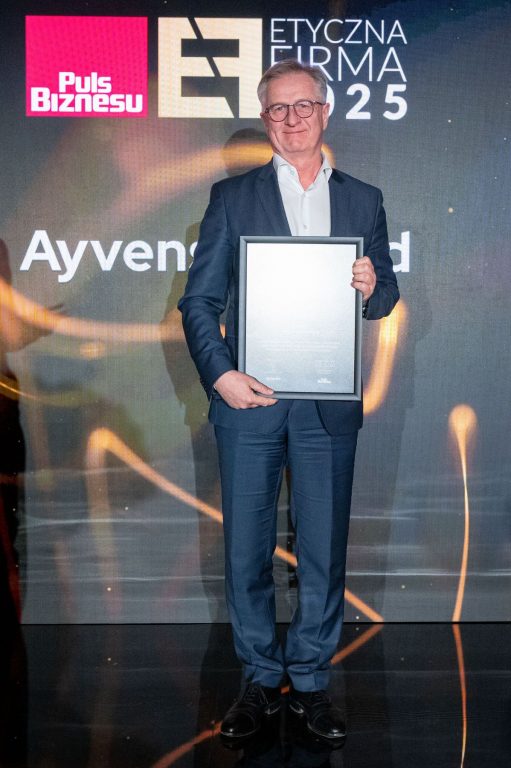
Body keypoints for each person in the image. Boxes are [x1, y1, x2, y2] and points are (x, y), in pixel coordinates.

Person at [178, 59, 399, 742]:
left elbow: (386, 294)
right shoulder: (232, 197)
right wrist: (221, 376)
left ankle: (308, 681)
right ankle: (256, 680)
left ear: (325, 112)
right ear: (264, 118)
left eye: (304, 106)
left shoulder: (363, 200)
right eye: (278, 108)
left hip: (326, 408)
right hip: (248, 402)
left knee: (323, 554)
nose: (292, 118)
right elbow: (198, 303)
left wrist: (373, 287)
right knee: (246, 552)